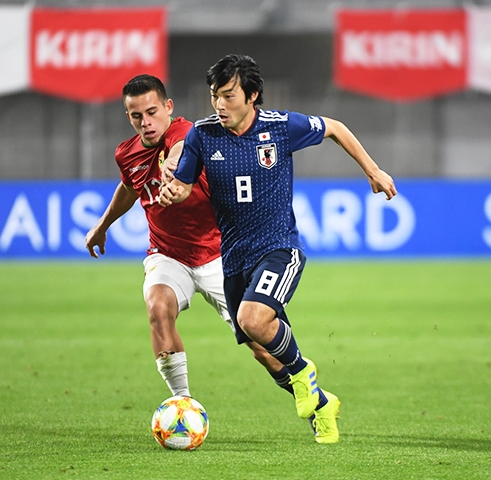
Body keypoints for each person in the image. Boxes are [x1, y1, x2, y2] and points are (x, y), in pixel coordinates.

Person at [159, 54, 397, 444]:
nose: (220, 105)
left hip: (278, 248)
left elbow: (335, 128)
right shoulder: (202, 135)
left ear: (252, 96)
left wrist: (372, 169)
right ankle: (321, 406)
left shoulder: (281, 127)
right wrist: (174, 192)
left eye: (229, 96)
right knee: (261, 349)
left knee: (254, 320)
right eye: (215, 96)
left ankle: (304, 373)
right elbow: (184, 185)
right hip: (233, 259)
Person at [84, 74, 294, 403]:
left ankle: (310, 398)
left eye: (152, 112)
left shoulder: (189, 133)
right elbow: (130, 187)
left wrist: (175, 165)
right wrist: (103, 224)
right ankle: (182, 405)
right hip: (168, 255)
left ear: (168, 107)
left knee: (263, 349)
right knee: (158, 306)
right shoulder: (126, 154)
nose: (146, 122)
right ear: (128, 117)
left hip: (221, 256)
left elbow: (181, 146)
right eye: (137, 116)